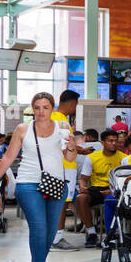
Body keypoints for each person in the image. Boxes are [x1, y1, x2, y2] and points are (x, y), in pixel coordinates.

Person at [0, 93, 79, 262]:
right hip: (28, 183)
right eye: (37, 107)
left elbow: (70, 159)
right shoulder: (23, 129)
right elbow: (8, 157)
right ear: (32, 109)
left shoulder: (61, 129)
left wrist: (72, 146)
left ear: (52, 108)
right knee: (39, 228)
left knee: (50, 231)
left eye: (45, 107)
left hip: (56, 183)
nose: (41, 112)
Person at [75, 130, 124, 248]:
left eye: (115, 141)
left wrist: (112, 190)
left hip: (115, 189)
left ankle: (113, 234)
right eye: (110, 141)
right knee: (81, 198)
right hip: (97, 189)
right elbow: (83, 179)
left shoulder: (124, 158)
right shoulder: (92, 157)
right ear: (102, 143)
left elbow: (125, 180)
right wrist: (82, 186)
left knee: (111, 199)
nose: (113, 143)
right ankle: (91, 233)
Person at [49, 90, 80, 250]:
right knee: (60, 203)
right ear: (72, 103)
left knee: (59, 202)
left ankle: (54, 236)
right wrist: (78, 149)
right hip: (64, 168)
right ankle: (57, 238)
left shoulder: (57, 119)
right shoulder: (60, 120)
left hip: (61, 167)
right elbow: (65, 145)